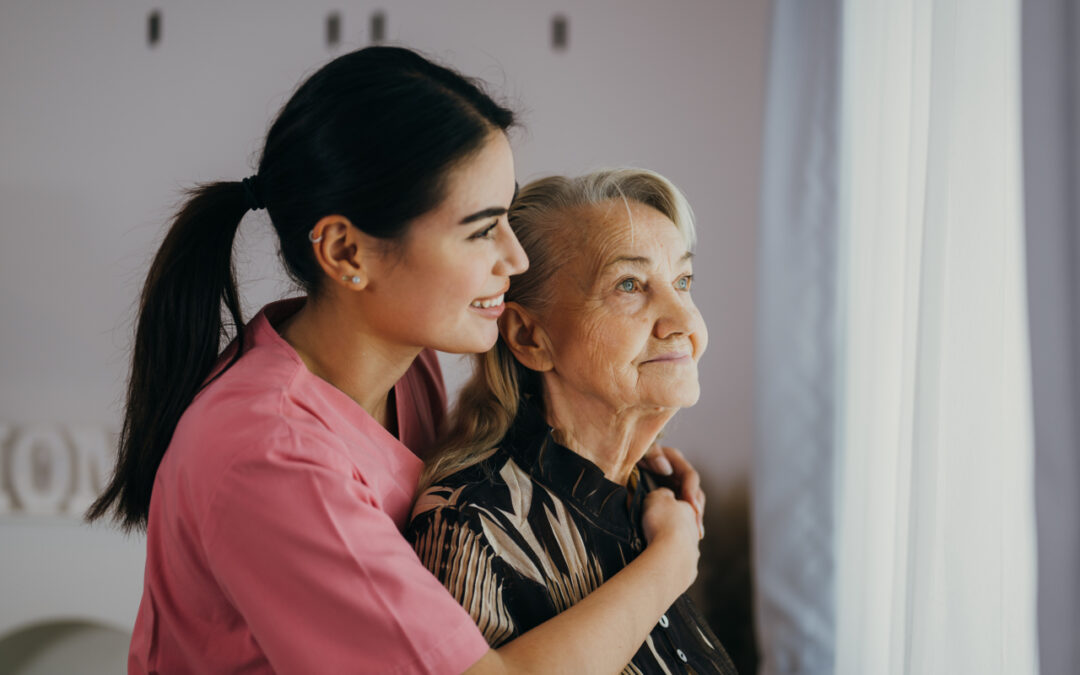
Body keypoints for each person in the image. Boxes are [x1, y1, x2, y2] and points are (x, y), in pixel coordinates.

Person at [87, 47, 706, 674]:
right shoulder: (271, 453)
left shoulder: (400, 363)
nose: (514, 259)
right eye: (481, 229)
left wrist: (619, 472)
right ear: (346, 252)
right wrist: (671, 560)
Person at [408, 169, 738, 674]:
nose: (684, 323)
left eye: (683, 282)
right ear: (529, 337)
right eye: (629, 285)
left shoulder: (653, 493)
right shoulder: (473, 524)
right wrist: (672, 555)